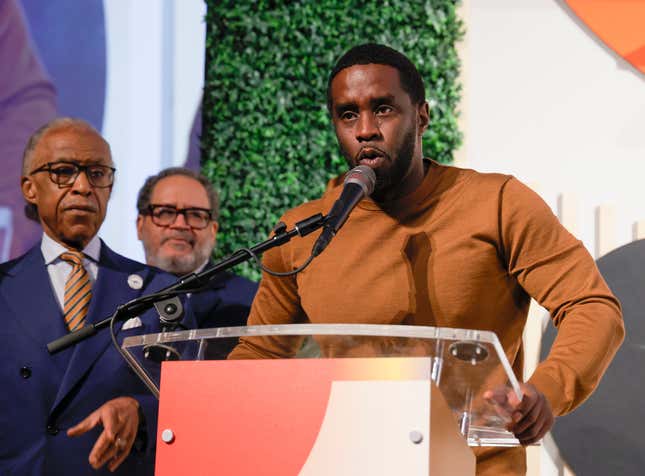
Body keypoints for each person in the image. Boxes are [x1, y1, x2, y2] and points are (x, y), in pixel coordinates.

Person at [230, 44, 624, 474]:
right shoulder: (303, 231)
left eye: (383, 109)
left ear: (421, 116)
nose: (365, 130)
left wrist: (547, 388)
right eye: (348, 114)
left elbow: (591, 305)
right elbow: (259, 353)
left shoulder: (497, 202)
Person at [0, 118, 193, 475]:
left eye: (98, 173)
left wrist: (139, 411)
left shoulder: (160, 291)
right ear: (29, 188)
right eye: (63, 172)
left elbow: (192, 401)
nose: (83, 187)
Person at [136, 167, 257, 334]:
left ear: (213, 231)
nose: (180, 224)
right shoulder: (112, 296)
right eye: (165, 212)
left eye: (195, 215)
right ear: (140, 226)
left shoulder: (251, 301)